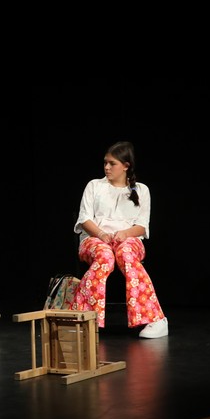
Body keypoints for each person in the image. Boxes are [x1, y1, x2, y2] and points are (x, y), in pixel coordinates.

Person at [70, 141, 169, 338]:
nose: (107, 167)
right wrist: (101, 235)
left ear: (125, 166)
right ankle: (81, 317)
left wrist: (125, 233)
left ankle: (155, 319)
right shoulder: (94, 186)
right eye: (105, 163)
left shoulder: (141, 190)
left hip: (128, 240)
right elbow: (84, 219)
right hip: (95, 239)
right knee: (105, 256)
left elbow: (142, 226)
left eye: (112, 163)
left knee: (126, 254)